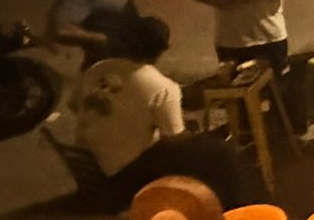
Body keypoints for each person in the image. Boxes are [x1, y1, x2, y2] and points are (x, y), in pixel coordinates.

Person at [51, 15, 262, 208]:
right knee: (219, 154)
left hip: (88, 165)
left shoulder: (99, 68)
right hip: (122, 177)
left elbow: (74, 104)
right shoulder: (162, 87)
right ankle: (227, 208)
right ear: (161, 50)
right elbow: (176, 141)